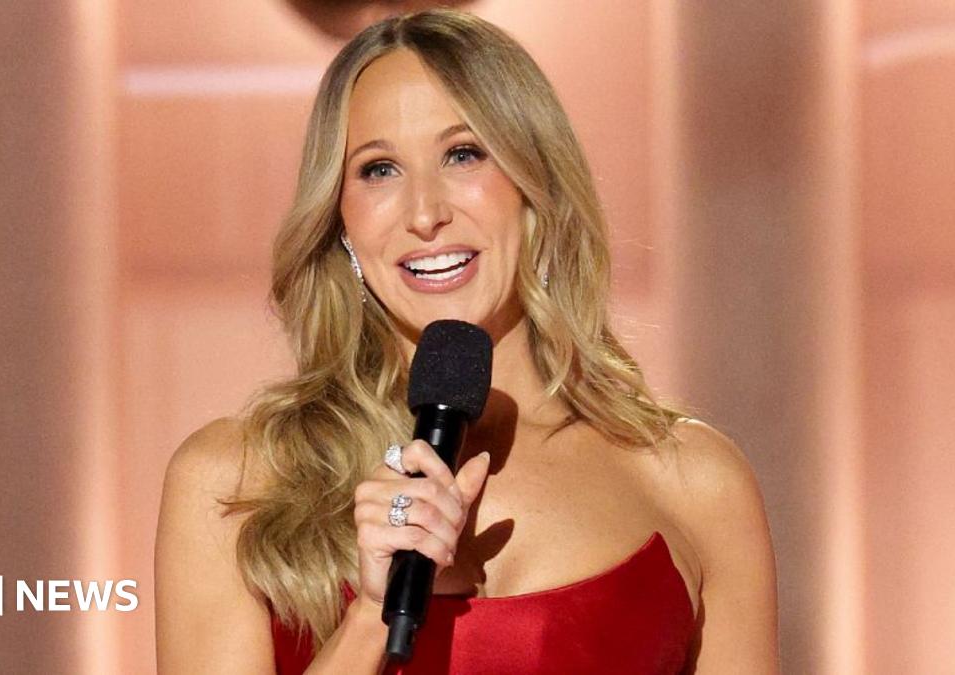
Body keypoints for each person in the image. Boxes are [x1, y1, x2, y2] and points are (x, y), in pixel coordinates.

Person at [155, 8, 778, 674]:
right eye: (378, 170)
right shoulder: (233, 483)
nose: (425, 213)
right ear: (339, 219)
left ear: (536, 186)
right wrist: (371, 615)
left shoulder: (695, 483)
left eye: (463, 153)